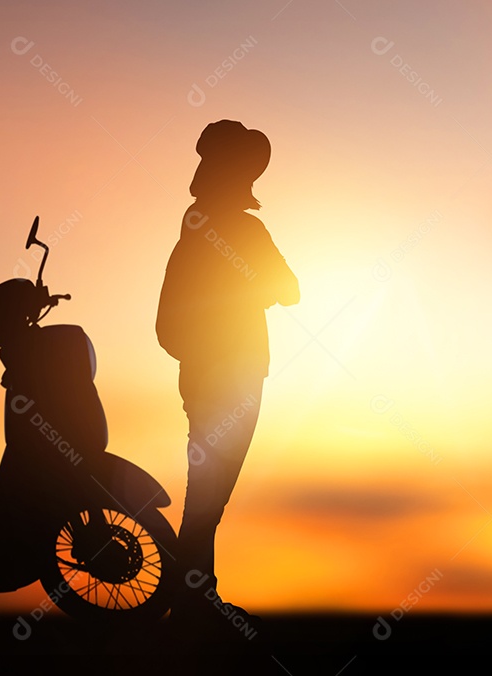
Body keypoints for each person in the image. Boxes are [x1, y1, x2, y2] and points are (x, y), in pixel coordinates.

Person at [156, 120, 299, 625]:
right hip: (232, 372)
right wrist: (254, 287)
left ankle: (192, 594)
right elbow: (288, 287)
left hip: (205, 371)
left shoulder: (195, 224)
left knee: (207, 486)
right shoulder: (239, 228)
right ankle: (189, 598)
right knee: (210, 489)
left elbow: (285, 286)